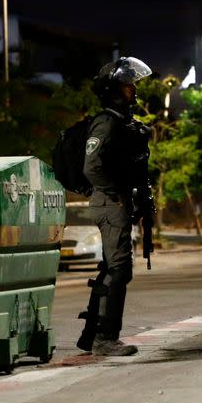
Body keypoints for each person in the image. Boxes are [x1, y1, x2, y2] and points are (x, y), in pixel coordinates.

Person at [77, 56, 155, 356]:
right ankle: (105, 338)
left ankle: (91, 335)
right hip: (110, 203)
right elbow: (91, 166)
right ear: (113, 88)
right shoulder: (106, 122)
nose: (133, 88)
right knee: (119, 270)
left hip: (116, 201)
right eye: (127, 84)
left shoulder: (122, 122)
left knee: (113, 268)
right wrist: (117, 194)